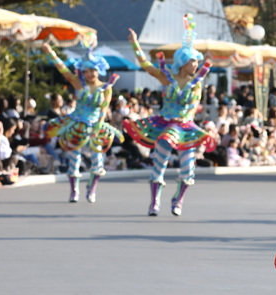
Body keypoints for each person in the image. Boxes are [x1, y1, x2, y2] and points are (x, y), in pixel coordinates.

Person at [126, 16, 215, 216]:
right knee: (160, 163)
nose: (196, 64)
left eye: (197, 61)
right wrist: (134, 43)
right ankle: (154, 201)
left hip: (185, 128)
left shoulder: (197, 83)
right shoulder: (166, 77)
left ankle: (178, 200)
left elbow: (194, 107)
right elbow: (145, 64)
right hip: (165, 125)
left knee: (188, 168)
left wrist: (192, 128)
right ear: (183, 62)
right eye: (193, 60)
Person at [43, 41, 122, 203]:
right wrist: (51, 52)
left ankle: (91, 189)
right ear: (83, 72)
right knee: (74, 158)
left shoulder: (106, 87)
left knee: (97, 161)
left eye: (93, 70)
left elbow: (104, 108)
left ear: (98, 70)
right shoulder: (78, 84)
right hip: (76, 124)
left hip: (95, 125)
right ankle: (74, 191)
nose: (90, 74)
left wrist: (98, 126)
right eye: (86, 71)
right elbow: (64, 70)